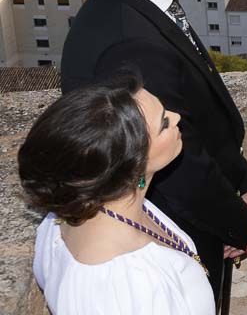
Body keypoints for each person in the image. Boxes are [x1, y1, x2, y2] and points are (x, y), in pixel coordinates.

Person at [60, 0, 247, 305]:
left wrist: (246, 182)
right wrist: (238, 223)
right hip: (171, 242)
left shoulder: (135, 0)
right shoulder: (131, 41)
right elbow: (177, 164)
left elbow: (201, 113)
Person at [18, 75, 214, 315]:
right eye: (163, 124)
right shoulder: (120, 286)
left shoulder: (99, 204)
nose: (176, 117)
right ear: (131, 165)